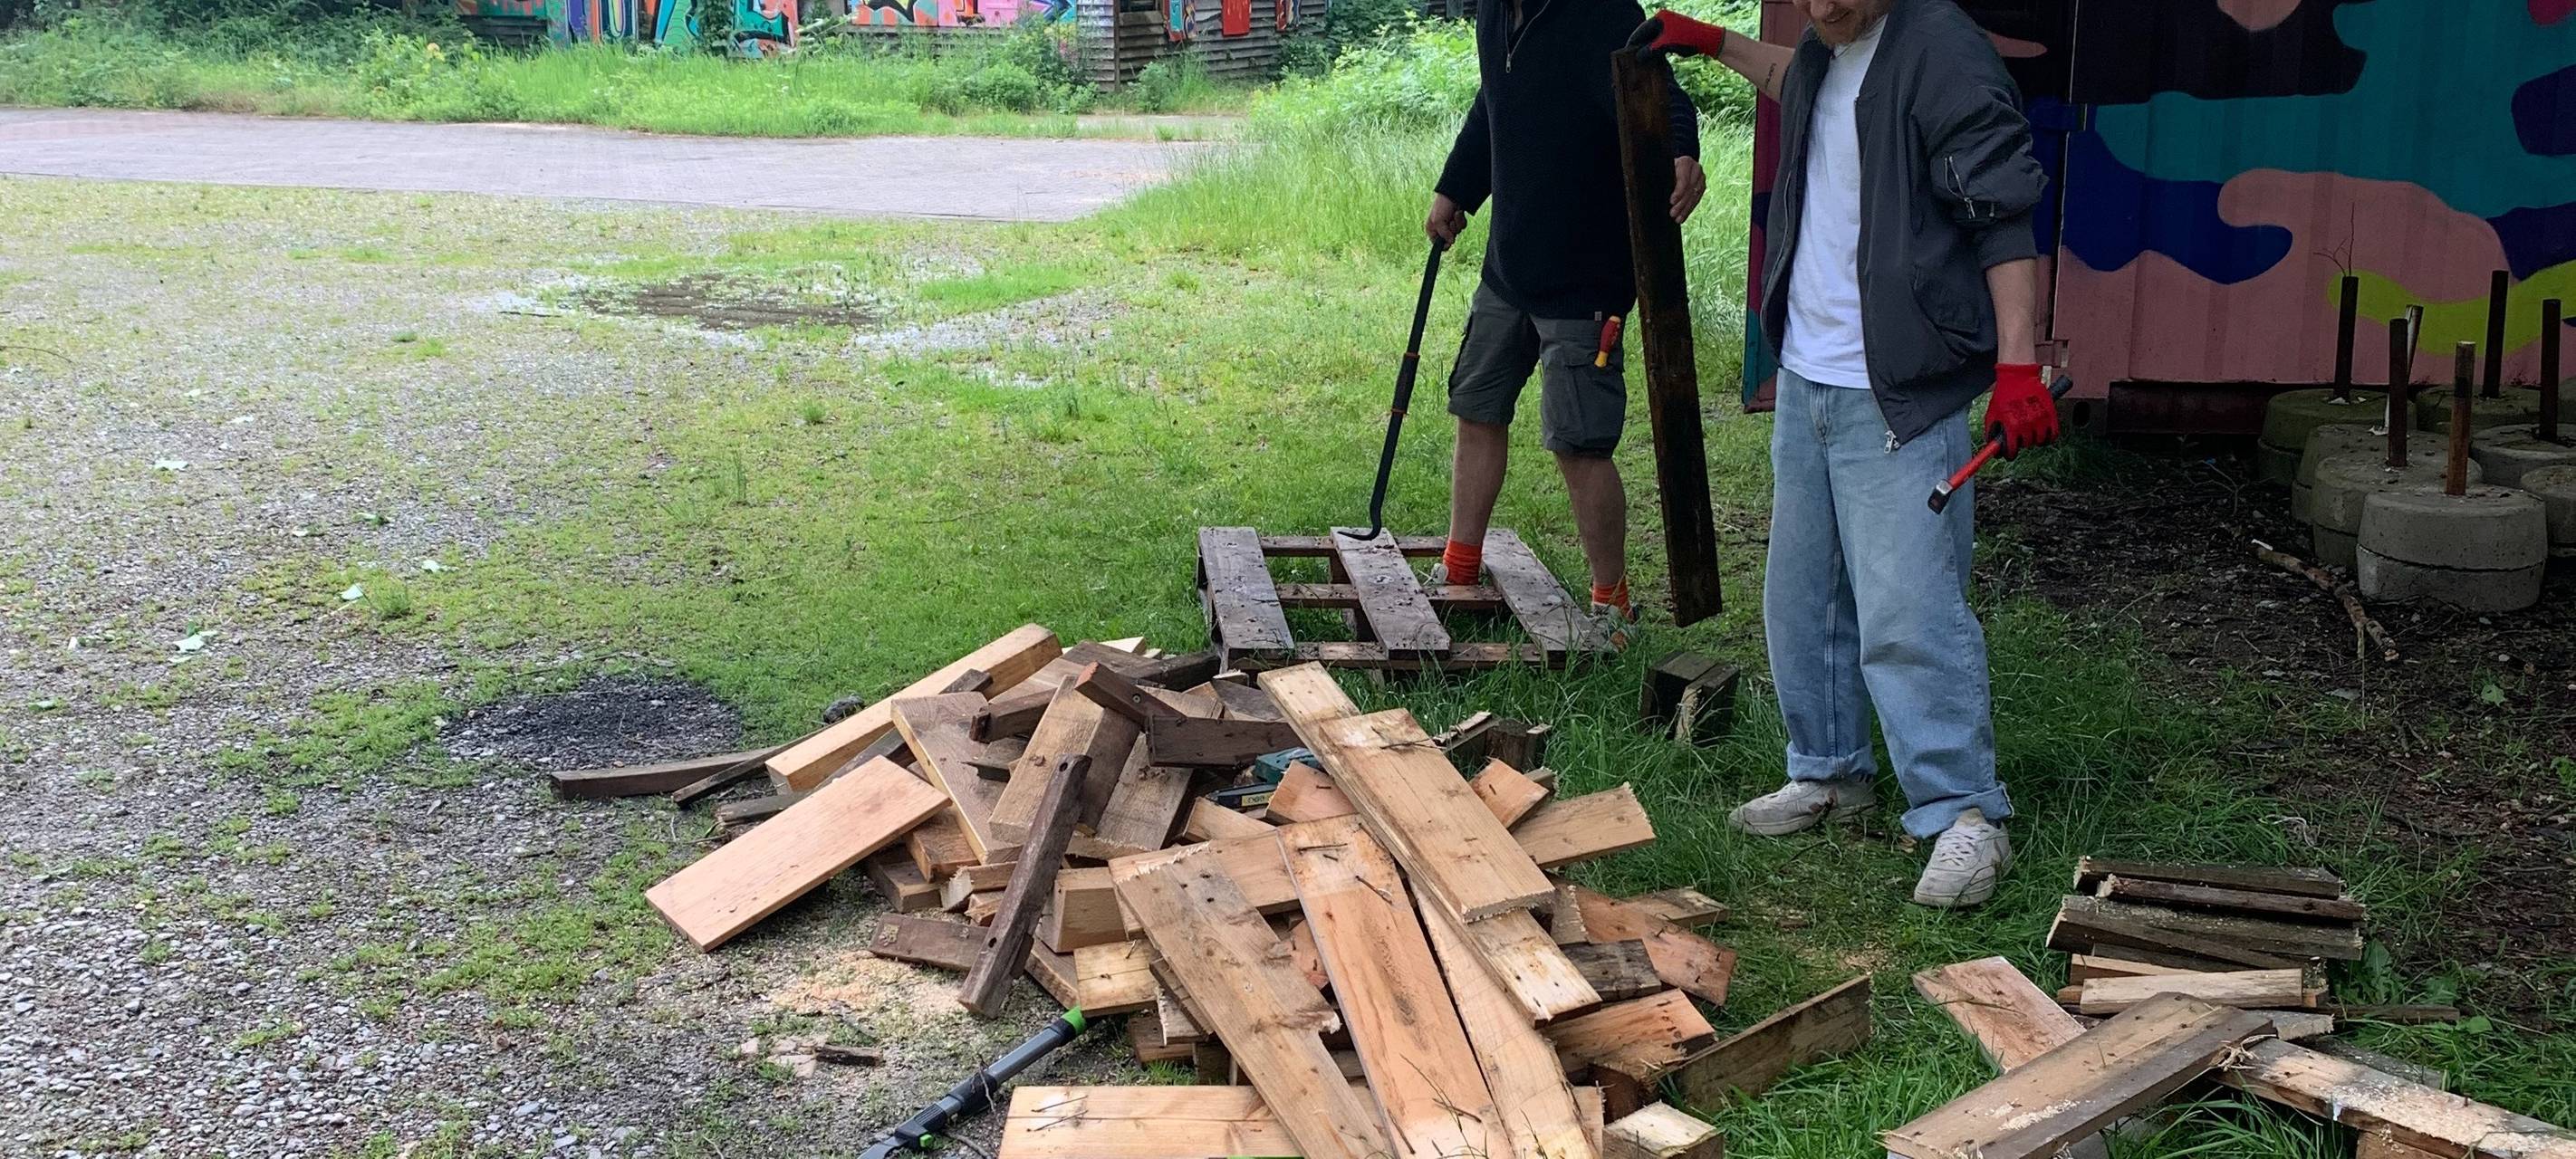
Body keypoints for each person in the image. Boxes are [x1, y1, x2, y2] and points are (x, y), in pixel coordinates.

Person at [1632, 0, 2060, 907]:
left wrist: (2018, 366)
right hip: (1809, 377)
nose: (1821, 7)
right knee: (1805, 594)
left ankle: (1963, 814)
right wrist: (1712, 43)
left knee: (1910, 608)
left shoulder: (1943, 48)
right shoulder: (1832, 50)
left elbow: (2003, 213)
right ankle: (1830, 772)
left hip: (1899, 384)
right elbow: (1796, 76)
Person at [1425, 0, 1708, 647]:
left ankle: (1613, 603)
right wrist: (1455, 188)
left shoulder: (1602, 13)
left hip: (1586, 279)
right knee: (1477, 408)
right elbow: (1492, 108)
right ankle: (1460, 568)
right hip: (1509, 266)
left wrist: (1683, 155)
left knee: (1579, 444)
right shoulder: (1494, 15)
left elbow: (1663, 95)